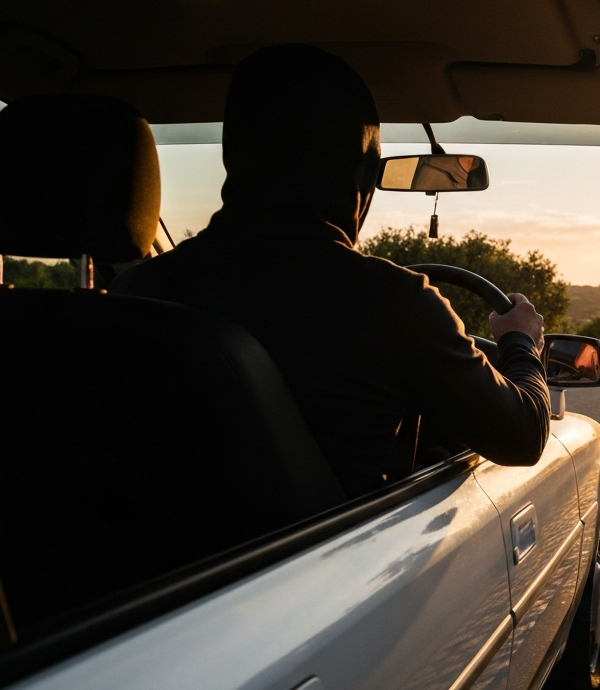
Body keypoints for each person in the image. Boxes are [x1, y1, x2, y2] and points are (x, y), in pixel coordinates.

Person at [112, 44, 549, 497]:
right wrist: (519, 341)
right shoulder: (395, 303)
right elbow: (521, 435)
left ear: (234, 157)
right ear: (360, 176)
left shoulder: (138, 293)